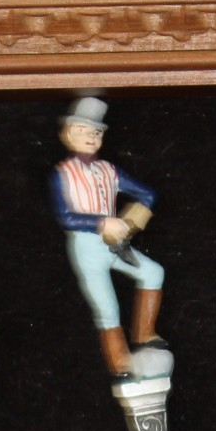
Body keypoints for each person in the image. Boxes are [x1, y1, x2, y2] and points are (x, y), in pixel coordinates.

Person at [48, 96, 167, 381]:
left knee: (153, 272)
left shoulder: (109, 170)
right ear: (68, 134)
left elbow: (148, 194)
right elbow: (65, 217)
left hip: (114, 244)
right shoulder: (62, 174)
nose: (90, 138)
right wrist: (103, 222)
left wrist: (130, 224)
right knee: (107, 307)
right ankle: (119, 362)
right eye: (83, 131)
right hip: (87, 246)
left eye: (97, 133)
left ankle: (144, 334)